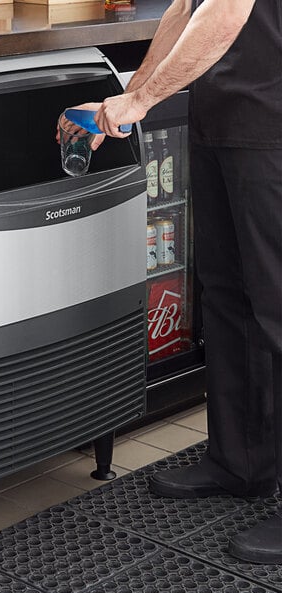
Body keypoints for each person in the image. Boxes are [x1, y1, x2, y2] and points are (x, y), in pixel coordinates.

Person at [68, 0, 282, 564]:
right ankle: (241, 462)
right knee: (228, 296)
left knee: (278, 312)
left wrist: (140, 100)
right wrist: (126, 97)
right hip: (223, 120)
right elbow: (187, 9)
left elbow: (230, 8)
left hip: (273, 121)